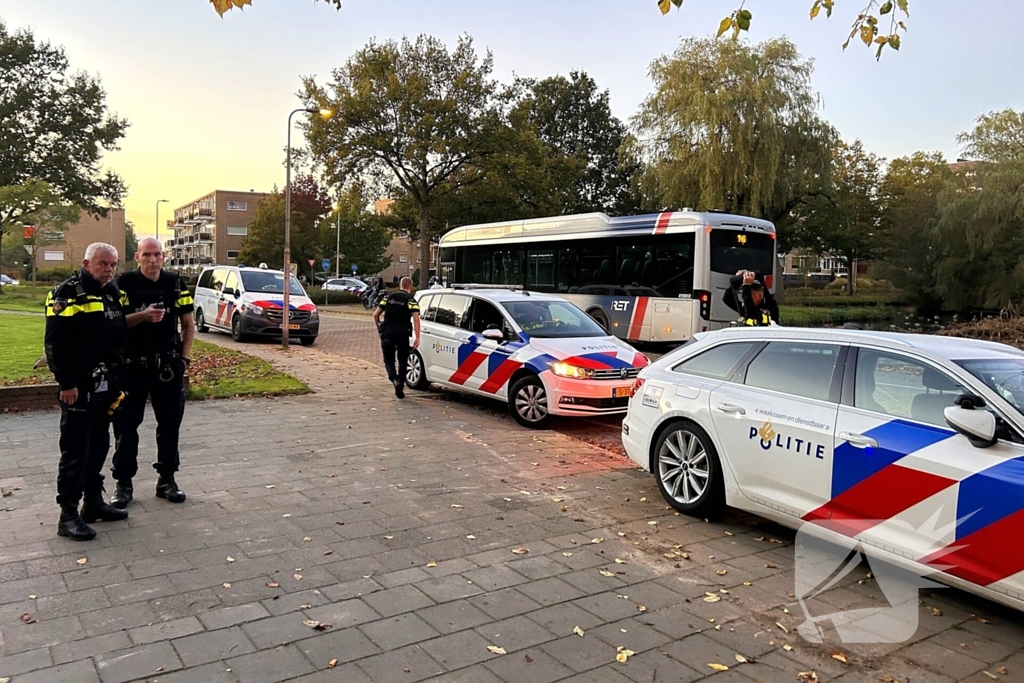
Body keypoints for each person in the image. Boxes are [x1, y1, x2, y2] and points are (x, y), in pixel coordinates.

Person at [45, 242, 130, 541]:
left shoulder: (111, 292)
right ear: (86, 263)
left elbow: (116, 333)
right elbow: (55, 344)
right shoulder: (66, 293)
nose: (108, 269)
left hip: (106, 382)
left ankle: (93, 502)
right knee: (75, 450)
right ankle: (67, 514)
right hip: (78, 386)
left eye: (113, 264)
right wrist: (66, 384)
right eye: (102, 263)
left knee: (99, 444)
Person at [110, 238, 194, 509]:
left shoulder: (175, 283)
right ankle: (123, 484)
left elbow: (188, 324)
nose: (153, 260)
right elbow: (114, 322)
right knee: (125, 427)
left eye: (157, 254)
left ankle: (167, 480)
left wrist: (185, 359)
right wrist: (142, 316)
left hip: (167, 367)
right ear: (138, 257)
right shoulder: (124, 284)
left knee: (169, 426)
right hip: (131, 367)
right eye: (147, 254)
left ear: (164, 256)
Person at [373, 276, 421, 398]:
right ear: (410, 286)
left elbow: (375, 315)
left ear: (400, 285)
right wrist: (417, 337)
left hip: (387, 333)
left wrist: (380, 329)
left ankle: (395, 380)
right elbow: (416, 318)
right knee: (403, 361)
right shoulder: (410, 300)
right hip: (402, 334)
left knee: (389, 360)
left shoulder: (388, 297)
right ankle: (401, 384)